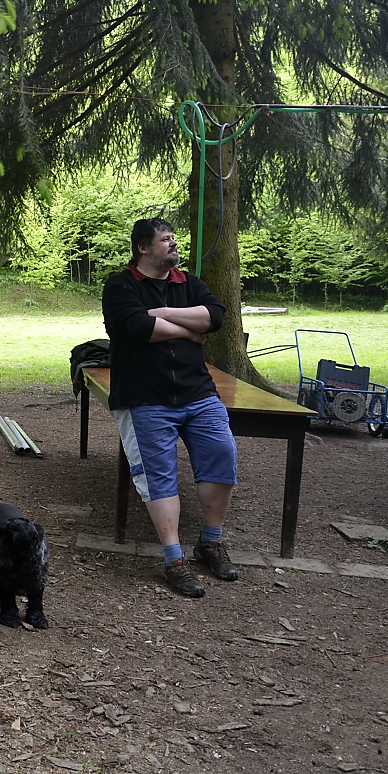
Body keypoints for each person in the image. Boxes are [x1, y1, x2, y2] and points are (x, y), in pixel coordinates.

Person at [101, 217, 238, 598]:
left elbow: (215, 317)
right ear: (143, 248)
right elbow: (136, 327)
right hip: (145, 397)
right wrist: (190, 331)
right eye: (165, 239)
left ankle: (210, 542)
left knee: (222, 454)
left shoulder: (189, 283)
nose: (174, 243)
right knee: (158, 475)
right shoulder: (120, 285)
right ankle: (174, 559)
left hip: (198, 394)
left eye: (174, 237)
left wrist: (161, 314)